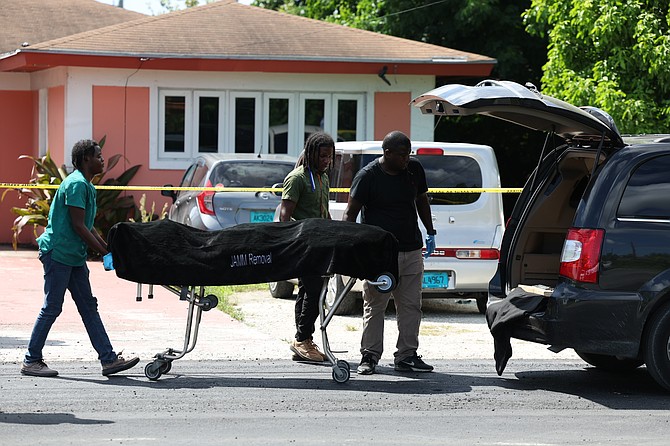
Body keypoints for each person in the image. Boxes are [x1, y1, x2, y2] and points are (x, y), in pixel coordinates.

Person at [21, 139, 140, 377]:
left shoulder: (86, 185)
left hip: (73, 256)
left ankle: (108, 360)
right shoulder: (76, 184)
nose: (102, 160)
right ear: (86, 159)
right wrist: (105, 252)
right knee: (52, 307)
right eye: (98, 156)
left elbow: (88, 225)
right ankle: (31, 360)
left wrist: (108, 249)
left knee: (88, 307)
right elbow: (78, 227)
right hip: (59, 253)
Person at [342, 130, 436, 375]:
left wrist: (431, 231)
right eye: (403, 155)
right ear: (387, 153)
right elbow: (350, 213)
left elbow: (422, 200)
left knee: (411, 306)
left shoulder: (414, 170)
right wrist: (351, 247)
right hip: (380, 254)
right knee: (375, 305)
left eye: (409, 154)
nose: (407, 158)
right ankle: (369, 356)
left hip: (411, 249)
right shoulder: (368, 176)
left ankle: (407, 355)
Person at [279, 132, 335, 362]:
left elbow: (324, 212)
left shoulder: (323, 178)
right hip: (304, 246)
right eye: (322, 156)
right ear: (311, 153)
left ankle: (303, 340)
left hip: (321, 245)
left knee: (310, 291)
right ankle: (303, 339)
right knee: (313, 292)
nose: (326, 161)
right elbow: (284, 217)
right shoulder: (297, 178)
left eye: (330, 157)